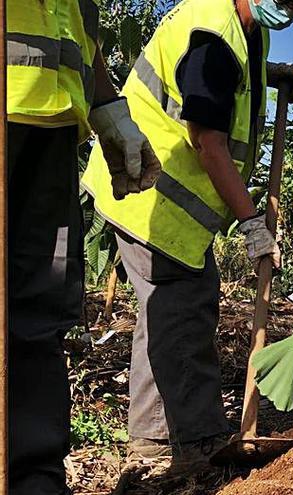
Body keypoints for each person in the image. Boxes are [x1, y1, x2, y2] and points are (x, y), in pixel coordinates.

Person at [81, 0, 293, 474]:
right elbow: (209, 144)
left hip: (157, 195)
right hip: (152, 191)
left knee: (166, 314)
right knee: (184, 311)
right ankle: (196, 442)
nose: (290, 8)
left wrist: (271, 73)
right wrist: (252, 223)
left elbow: (229, 79)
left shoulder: (241, 25)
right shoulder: (214, 34)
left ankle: (151, 443)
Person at [7, 1, 161, 493]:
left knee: (40, 307)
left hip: (51, 133)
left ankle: (34, 474)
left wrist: (108, 108)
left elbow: (79, 33)